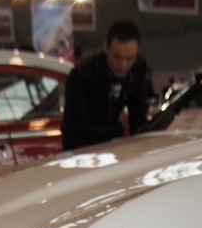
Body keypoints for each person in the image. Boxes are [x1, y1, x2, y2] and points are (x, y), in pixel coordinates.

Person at [61, 20, 152, 150]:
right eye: (117, 57)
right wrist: (117, 129)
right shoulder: (82, 74)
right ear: (105, 48)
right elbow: (78, 126)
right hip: (80, 148)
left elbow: (139, 116)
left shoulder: (138, 67)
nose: (123, 66)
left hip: (112, 145)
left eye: (130, 58)